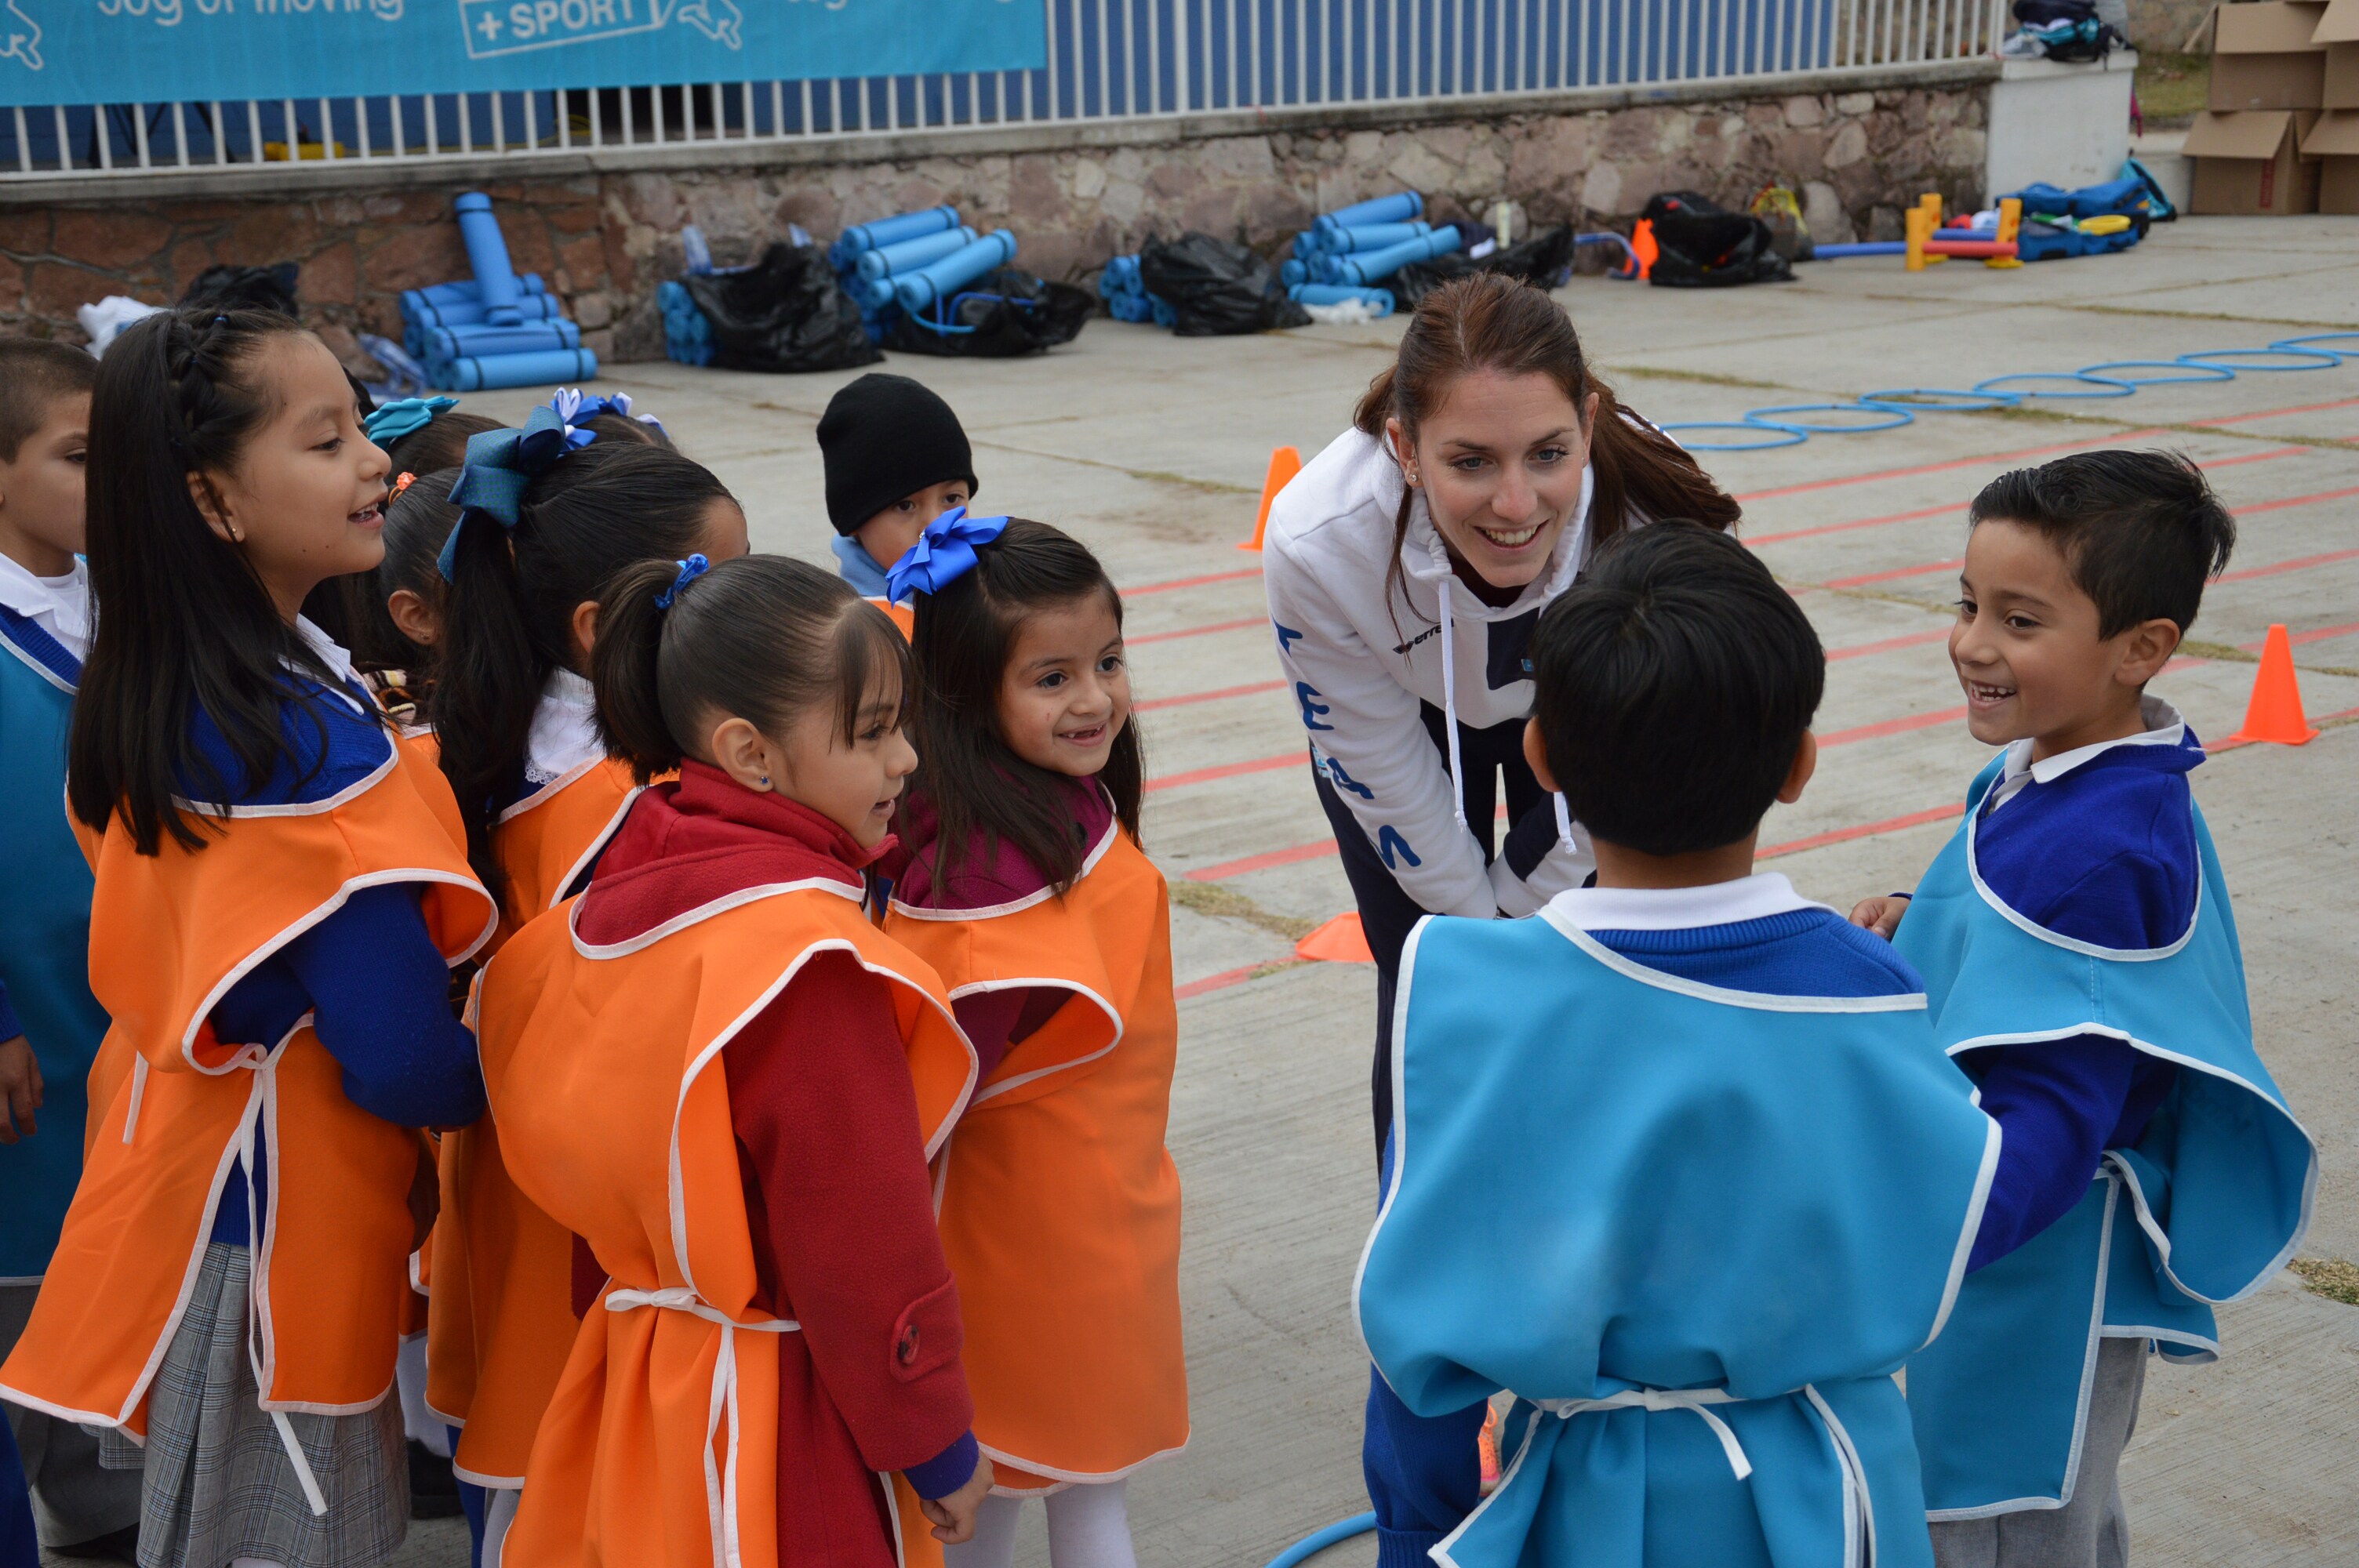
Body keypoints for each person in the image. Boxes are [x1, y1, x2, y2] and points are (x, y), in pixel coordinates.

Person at [1355, 522, 2000, 1568]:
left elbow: (1419, 1333)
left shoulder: (1473, 998)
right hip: (1829, 1487)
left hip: (1594, 1504)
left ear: (1542, 758)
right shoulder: (1866, 987)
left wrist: (1418, 1527)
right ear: (1799, 765)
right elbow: (1941, 1223)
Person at [0, 307, 496, 1568]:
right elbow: (396, 1054)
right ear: (212, 503)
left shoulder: (166, 679)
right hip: (276, 1218)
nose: (380, 463)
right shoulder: (298, 748)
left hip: (174, 1167)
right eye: (328, 441)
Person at [1260, 270, 1743, 1549]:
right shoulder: (1320, 537)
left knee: (1599, 998)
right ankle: (1427, 1338)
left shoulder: (1652, 533)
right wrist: (1475, 941)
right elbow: (1388, 778)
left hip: (1583, 721)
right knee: (1431, 1019)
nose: (1516, 502)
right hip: (1403, 721)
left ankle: (1590, 1308)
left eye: (1547, 454)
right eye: (1469, 462)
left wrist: (1540, 911)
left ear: (1589, 417)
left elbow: (1630, 781)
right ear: (1401, 445)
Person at [476, 552, 992, 1568]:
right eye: (874, 733)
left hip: (635, 1374)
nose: (907, 764)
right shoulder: (807, 965)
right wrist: (935, 1442)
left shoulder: (609, 903)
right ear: (751, 753)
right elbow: (865, 1245)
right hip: (774, 1410)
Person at [1848, 452, 2314, 1568]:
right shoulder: (2066, 767)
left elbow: (2059, 1108)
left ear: (2141, 649)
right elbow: (2027, 945)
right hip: (2011, 1244)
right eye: (1967, 605)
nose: (1971, 644)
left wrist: (1907, 1250)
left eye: (2019, 620)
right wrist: (1927, 917)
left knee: (1992, 1520)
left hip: (2037, 1265)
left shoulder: (2101, 849)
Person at [423, 422, 750, 1563]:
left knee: (524, 1464)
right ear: (600, 632)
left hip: (526, 1186)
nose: (740, 613)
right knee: (579, 1490)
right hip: (596, 1210)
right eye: (713, 585)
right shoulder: (626, 812)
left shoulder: (505, 740)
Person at [880, 514, 1183, 1568]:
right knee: (1076, 1491)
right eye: (1052, 678)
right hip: (1105, 1209)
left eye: (1106, 663)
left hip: (1010, 1238)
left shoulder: (987, 883)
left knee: (984, 1500)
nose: (1096, 698)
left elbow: (920, 1096)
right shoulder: (1062, 822)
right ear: (966, 695)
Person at [0, 338, 144, 1563]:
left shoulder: (119, 597)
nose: (107, 483)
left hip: (120, 986)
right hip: (24, 1005)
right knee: (33, 1253)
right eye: (77, 457)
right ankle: (74, 1499)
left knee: (117, 1225)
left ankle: (114, 1480)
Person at [818, 373, 978, 604]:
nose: (935, 526)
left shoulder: (987, 593)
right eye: (905, 506)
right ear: (853, 522)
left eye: (952, 498)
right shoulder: (857, 631)